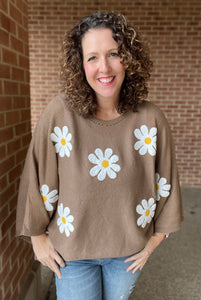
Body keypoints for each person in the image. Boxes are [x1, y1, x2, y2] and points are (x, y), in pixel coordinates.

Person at [16, 11, 183, 300]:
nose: (103, 67)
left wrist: (151, 245)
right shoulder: (59, 114)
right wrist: (38, 239)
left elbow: (165, 182)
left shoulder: (151, 119)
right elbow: (37, 175)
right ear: (80, 65)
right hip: (71, 253)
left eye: (113, 54)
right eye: (92, 57)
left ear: (128, 58)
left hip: (128, 253)